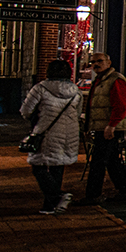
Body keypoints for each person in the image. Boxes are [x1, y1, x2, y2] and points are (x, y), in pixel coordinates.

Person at [21, 60, 82, 215]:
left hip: (46, 132)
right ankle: (50, 205)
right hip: (69, 133)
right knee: (57, 167)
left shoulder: (40, 88)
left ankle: (57, 196)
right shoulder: (75, 91)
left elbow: (26, 111)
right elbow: (77, 113)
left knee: (38, 167)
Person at [76, 52, 126, 206]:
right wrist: (90, 126)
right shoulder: (100, 80)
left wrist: (112, 125)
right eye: (93, 62)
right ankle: (125, 190)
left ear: (108, 63)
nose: (96, 64)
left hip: (109, 128)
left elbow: (120, 105)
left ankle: (93, 194)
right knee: (111, 160)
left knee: (98, 161)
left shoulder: (115, 80)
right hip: (104, 127)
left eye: (100, 61)